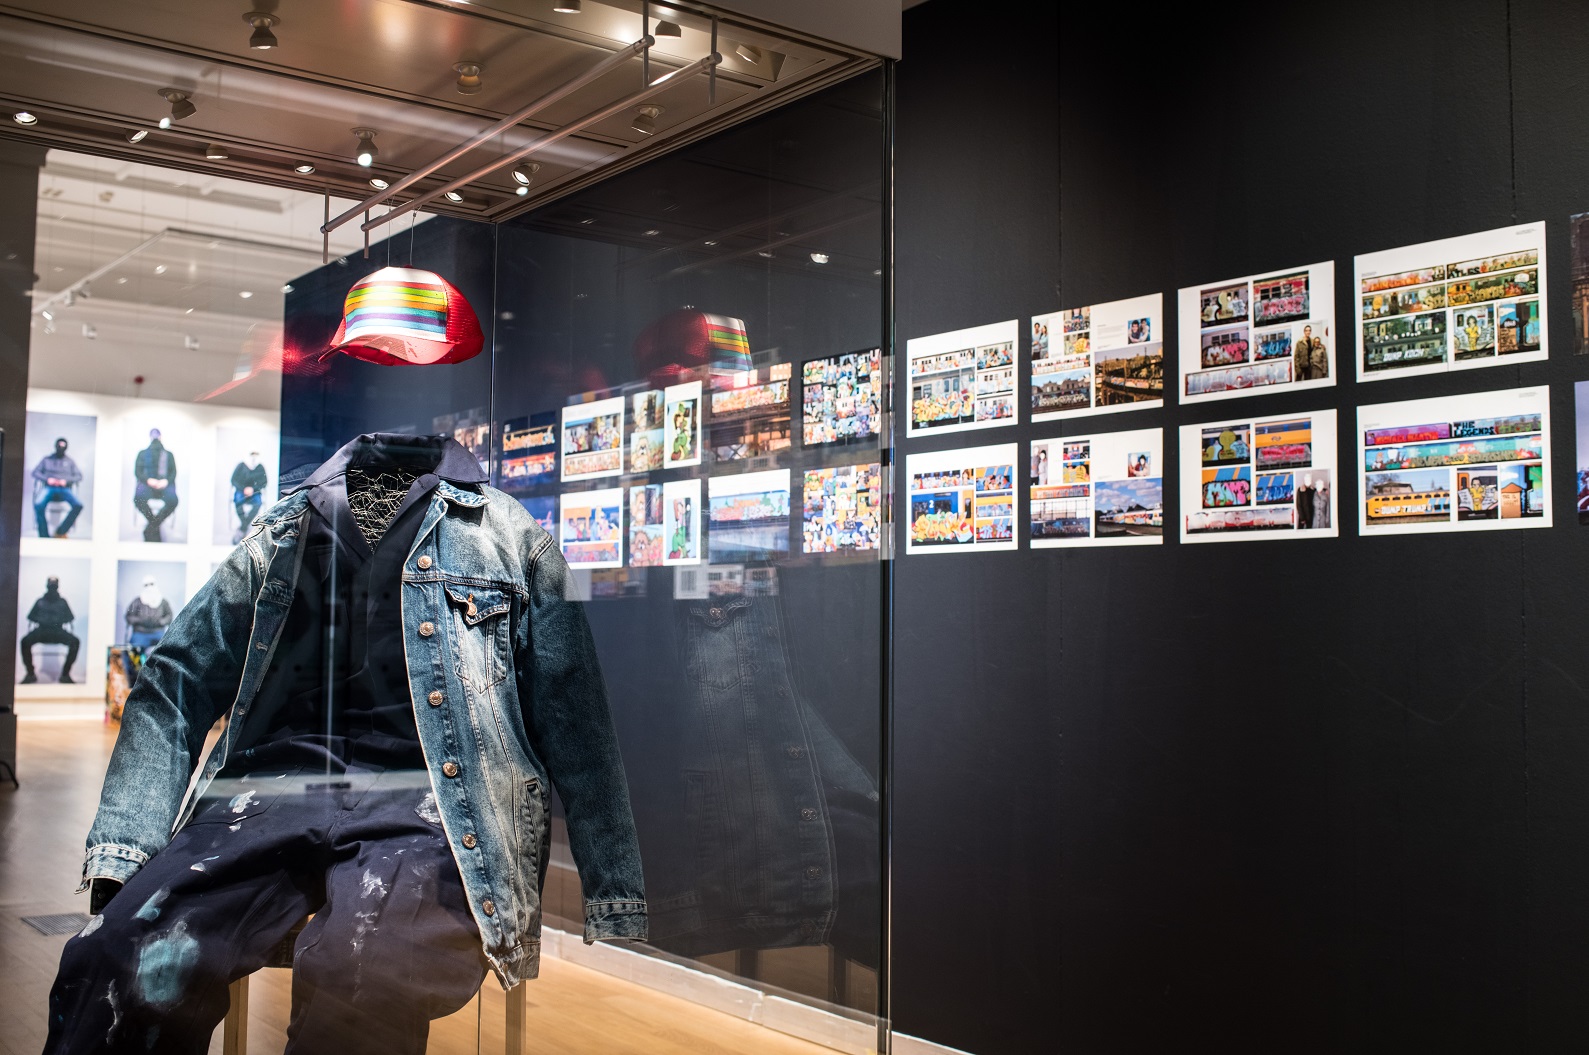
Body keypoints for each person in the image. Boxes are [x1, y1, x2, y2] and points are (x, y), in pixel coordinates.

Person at [20, 576, 79, 684]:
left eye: (54, 586)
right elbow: (31, 616)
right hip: (41, 631)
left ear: (57, 586)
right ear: (47, 586)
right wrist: (42, 619)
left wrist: (57, 620)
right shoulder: (40, 601)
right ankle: (30, 674)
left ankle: (65, 674)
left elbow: (70, 617)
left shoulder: (62, 602)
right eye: (51, 585)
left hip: (58, 632)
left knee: (75, 642)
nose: (52, 588)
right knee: (25, 641)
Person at [32, 436, 85, 538]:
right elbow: (35, 472)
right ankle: (44, 536)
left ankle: (60, 532)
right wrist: (48, 479)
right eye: (59, 446)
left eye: (63, 446)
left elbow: (79, 476)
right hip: (49, 488)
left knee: (78, 505)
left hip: (64, 489)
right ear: (55, 446)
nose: (61, 448)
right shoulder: (46, 460)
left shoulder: (70, 461)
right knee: (38, 504)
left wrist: (65, 481)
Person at [132, 428, 179, 541]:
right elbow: (137, 472)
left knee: (173, 500)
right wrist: (148, 480)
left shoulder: (169, 454)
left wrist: (165, 481)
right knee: (138, 498)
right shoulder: (142, 454)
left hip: (164, 486)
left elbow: (173, 472)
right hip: (147, 485)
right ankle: (155, 525)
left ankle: (152, 526)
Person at [123, 575, 173, 649]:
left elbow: (169, 615)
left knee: (167, 649)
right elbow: (128, 616)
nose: (149, 587)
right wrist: (140, 620)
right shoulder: (137, 601)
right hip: (140, 633)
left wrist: (161, 622)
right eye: (146, 585)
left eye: (151, 584)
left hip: (158, 632)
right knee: (135, 652)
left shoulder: (163, 602)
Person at [230, 451, 268, 543]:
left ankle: (243, 528)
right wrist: (244, 489)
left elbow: (264, 482)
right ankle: (245, 527)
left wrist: (253, 489)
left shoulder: (260, 467)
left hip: (254, 492)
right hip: (241, 491)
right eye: (252, 455)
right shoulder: (241, 465)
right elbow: (233, 480)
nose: (253, 457)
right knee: (238, 501)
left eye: (256, 455)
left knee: (258, 503)